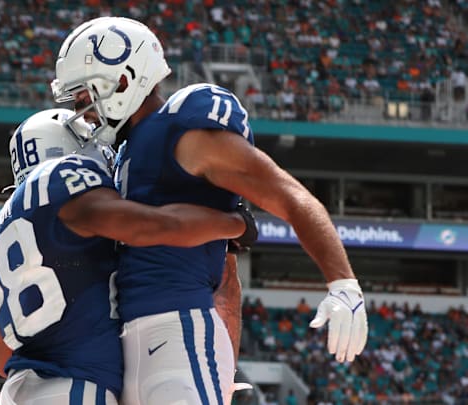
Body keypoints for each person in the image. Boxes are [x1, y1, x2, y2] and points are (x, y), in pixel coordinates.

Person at [52, 16, 368, 404]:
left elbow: (289, 195)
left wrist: (343, 283)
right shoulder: (127, 153)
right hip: (135, 342)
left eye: (85, 95)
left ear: (122, 81)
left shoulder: (183, 129)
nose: (82, 110)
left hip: (180, 330)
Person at [0, 108, 257, 404]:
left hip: (18, 390)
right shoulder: (63, 182)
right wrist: (231, 224)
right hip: (76, 388)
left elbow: (2, 357)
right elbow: (150, 227)